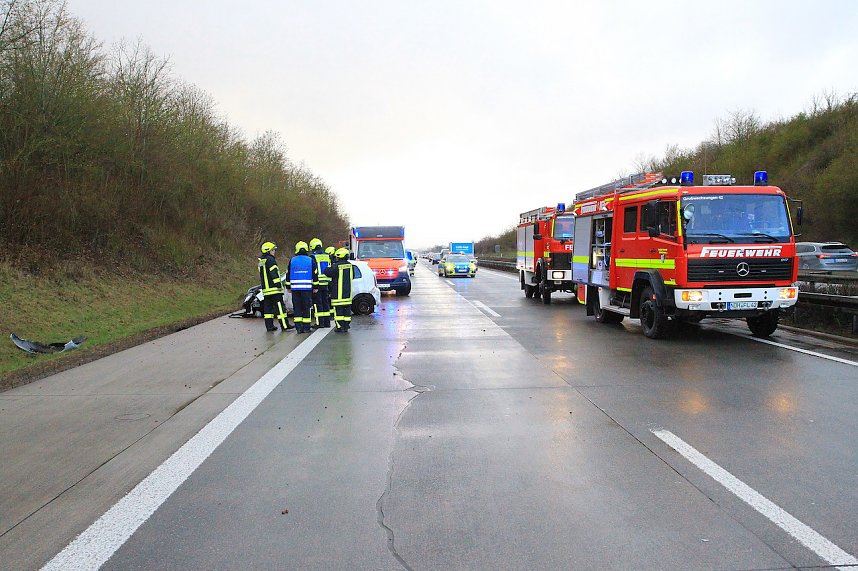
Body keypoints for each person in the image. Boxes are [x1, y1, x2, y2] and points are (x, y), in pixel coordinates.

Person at [258, 242, 293, 332]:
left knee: (268, 310)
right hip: (274, 289)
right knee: (280, 308)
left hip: (266, 290)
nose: (274, 252)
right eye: (273, 250)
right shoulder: (271, 260)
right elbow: (274, 274)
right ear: (268, 251)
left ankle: (269, 327)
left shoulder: (261, 262)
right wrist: (279, 285)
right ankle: (285, 326)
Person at [286, 241, 317, 334]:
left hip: (295, 289)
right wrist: (315, 286)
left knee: (297, 308)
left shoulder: (292, 260)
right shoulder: (310, 260)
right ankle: (307, 327)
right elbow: (315, 274)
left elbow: (288, 274)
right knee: (306, 308)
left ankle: (299, 328)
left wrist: (288, 286)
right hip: (307, 289)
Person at [325, 247, 354, 332]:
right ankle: (346, 326)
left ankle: (340, 327)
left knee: (338, 312)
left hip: (338, 294)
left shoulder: (336, 266)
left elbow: (327, 272)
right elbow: (353, 276)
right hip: (347, 294)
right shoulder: (350, 265)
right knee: (347, 311)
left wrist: (329, 265)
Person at [309, 238, 332, 328]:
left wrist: (314, 284)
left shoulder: (313, 257)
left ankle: (319, 323)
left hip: (317, 284)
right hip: (326, 283)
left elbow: (313, 271)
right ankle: (327, 322)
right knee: (325, 303)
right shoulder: (327, 256)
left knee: (317, 304)